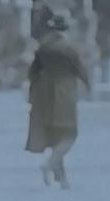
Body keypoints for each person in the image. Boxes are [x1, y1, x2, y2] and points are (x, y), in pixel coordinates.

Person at [25, 12, 91, 189]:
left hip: (44, 94)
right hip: (64, 93)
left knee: (55, 136)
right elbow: (81, 71)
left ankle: (62, 179)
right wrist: (89, 87)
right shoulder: (69, 48)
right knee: (70, 134)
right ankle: (49, 164)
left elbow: (32, 73)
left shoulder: (43, 48)